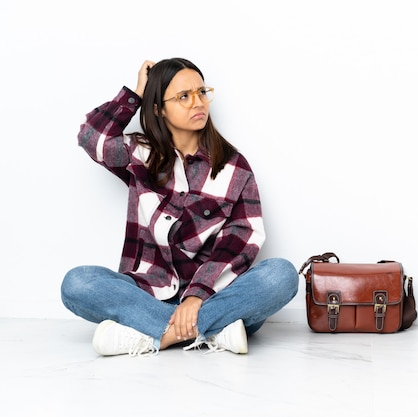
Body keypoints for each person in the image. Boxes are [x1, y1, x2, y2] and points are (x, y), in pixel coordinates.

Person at [61, 58, 299, 357]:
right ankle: (212, 332)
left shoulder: (233, 167)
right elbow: (91, 137)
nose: (197, 103)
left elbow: (242, 240)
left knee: (281, 275)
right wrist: (135, 95)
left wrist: (196, 296)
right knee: (77, 282)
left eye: (201, 92)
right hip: (148, 296)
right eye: (183, 96)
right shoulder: (139, 155)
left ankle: (155, 336)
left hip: (216, 297)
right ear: (158, 108)